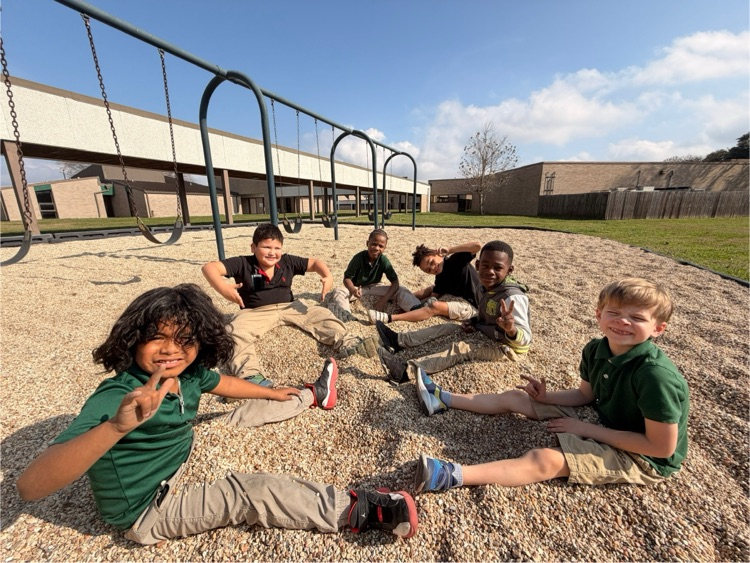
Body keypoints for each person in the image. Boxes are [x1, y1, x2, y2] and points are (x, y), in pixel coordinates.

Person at [16, 284, 418, 545]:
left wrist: (273, 391)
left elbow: (223, 385)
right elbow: (30, 486)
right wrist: (119, 426)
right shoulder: (119, 395)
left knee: (250, 411)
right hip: (148, 507)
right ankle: (359, 510)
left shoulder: (186, 373)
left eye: (184, 340)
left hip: (184, 449)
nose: (171, 349)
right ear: (133, 338)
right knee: (249, 491)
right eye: (157, 337)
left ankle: (312, 395)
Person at [413, 277, 689, 493]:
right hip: (605, 421)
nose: (623, 322)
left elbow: (660, 448)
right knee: (516, 397)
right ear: (598, 315)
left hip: (644, 458)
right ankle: (441, 397)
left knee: (547, 459)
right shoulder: (597, 349)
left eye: (638, 318)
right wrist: (547, 397)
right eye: (614, 312)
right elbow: (585, 395)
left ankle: (451, 475)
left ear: (658, 328)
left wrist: (585, 429)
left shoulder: (654, 375)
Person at [202, 223, 378, 390]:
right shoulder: (243, 263)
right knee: (233, 330)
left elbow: (315, 263)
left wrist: (327, 276)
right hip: (256, 311)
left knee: (321, 313)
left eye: (277, 248)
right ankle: (250, 375)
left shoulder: (287, 262)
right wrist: (223, 288)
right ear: (253, 247)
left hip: (290, 306)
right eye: (266, 247)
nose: (272, 252)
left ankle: (349, 343)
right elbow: (209, 268)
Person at [375, 240, 532, 385]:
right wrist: (474, 323)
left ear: (509, 270)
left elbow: (524, 340)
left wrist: (510, 329)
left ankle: (405, 371)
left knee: (460, 349)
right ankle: (399, 340)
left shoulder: (512, 297)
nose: (490, 272)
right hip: (488, 332)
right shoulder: (485, 287)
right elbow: (484, 314)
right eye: (485, 266)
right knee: (448, 328)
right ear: (478, 266)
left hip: (507, 348)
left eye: (497, 268)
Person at [367, 241, 481, 325]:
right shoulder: (440, 278)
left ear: (436, 253)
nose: (433, 268)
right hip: (458, 299)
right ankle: (398, 299)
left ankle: (390, 318)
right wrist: (413, 302)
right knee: (432, 291)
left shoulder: (455, 261)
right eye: (428, 270)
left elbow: (477, 246)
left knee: (434, 305)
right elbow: (433, 295)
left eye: (431, 262)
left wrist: (450, 249)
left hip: (475, 307)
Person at [327, 228, 421, 321]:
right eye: (374, 244)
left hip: (374, 287)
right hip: (357, 288)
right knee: (339, 291)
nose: (376, 248)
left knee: (401, 289)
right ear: (367, 243)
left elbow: (395, 282)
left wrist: (383, 301)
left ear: (384, 248)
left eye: (380, 246)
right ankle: (346, 315)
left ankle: (416, 308)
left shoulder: (383, 261)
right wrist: (353, 290)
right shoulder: (358, 258)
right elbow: (347, 278)